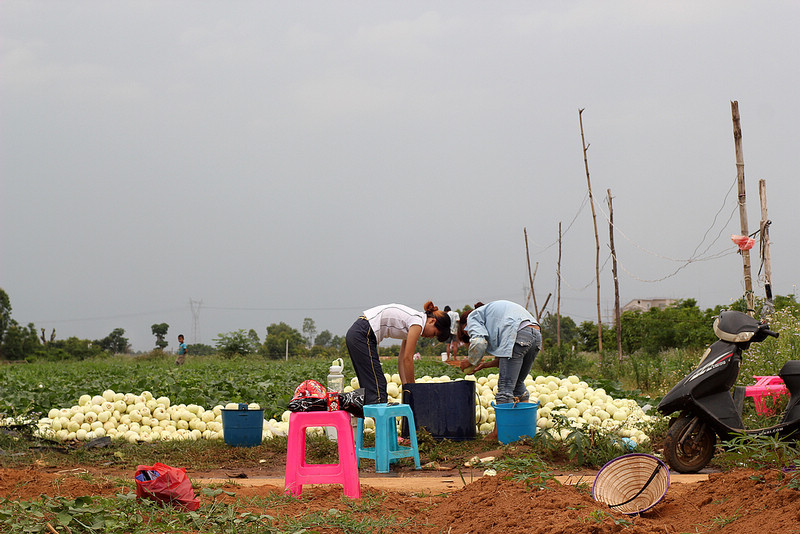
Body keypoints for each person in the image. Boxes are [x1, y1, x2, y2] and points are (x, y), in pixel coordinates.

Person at [346, 301, 451, 405]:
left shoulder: (414, 322)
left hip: (359, 333)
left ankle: (368, 418)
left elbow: (402, 360)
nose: (431, 337)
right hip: (363, 334)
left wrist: (406, 386)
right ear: (432, 321)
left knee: (372, 386)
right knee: (377, 389)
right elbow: (408, 359)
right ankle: (378, 421)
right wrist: (413, 390)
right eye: (434, 333)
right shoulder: (417, 323)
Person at [458, 300, 541, 417]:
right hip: (536, 334)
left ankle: (499, 433)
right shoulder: (495, 318)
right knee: (517, 383)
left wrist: (470, 360)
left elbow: (479, 343)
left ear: (465, 326)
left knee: (505, 389)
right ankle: (523, 429)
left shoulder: (473, 317)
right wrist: (484, 365)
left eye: (468, 333)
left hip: (519, 333)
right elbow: (507, 361)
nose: (470, 334)